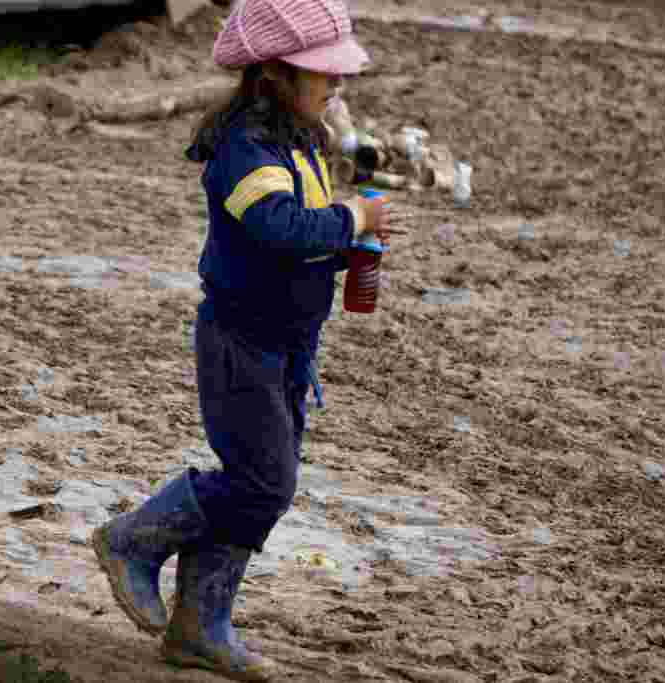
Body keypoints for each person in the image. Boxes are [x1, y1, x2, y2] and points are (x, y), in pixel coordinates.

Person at [92, 0, 396, 679]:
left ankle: (200, 622)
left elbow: (304, 239)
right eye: (323, 75)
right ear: (275, 74)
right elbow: (280, 227)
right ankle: (132, 541)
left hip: (284, 348)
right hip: (239, 345)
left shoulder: (298, 143)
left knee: (263, 483)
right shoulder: (244, 151)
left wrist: (348, 247)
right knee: (264, 481)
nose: (335, 87)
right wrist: (351, 217)